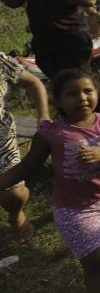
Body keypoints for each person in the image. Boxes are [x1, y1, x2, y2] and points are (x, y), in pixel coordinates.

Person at [0, 69, 100, 293]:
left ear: (97, 93)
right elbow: (27, 166)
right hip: (75, 209)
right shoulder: (52, 133)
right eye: (72, 94)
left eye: (88, 91)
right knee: (96, 261)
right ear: (58, 102)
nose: (82, 98)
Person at [0, 52, 49, 244]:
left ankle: (16, 214)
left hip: (2, 143)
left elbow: (33, 83)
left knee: (15, 194)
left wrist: (43, 116)